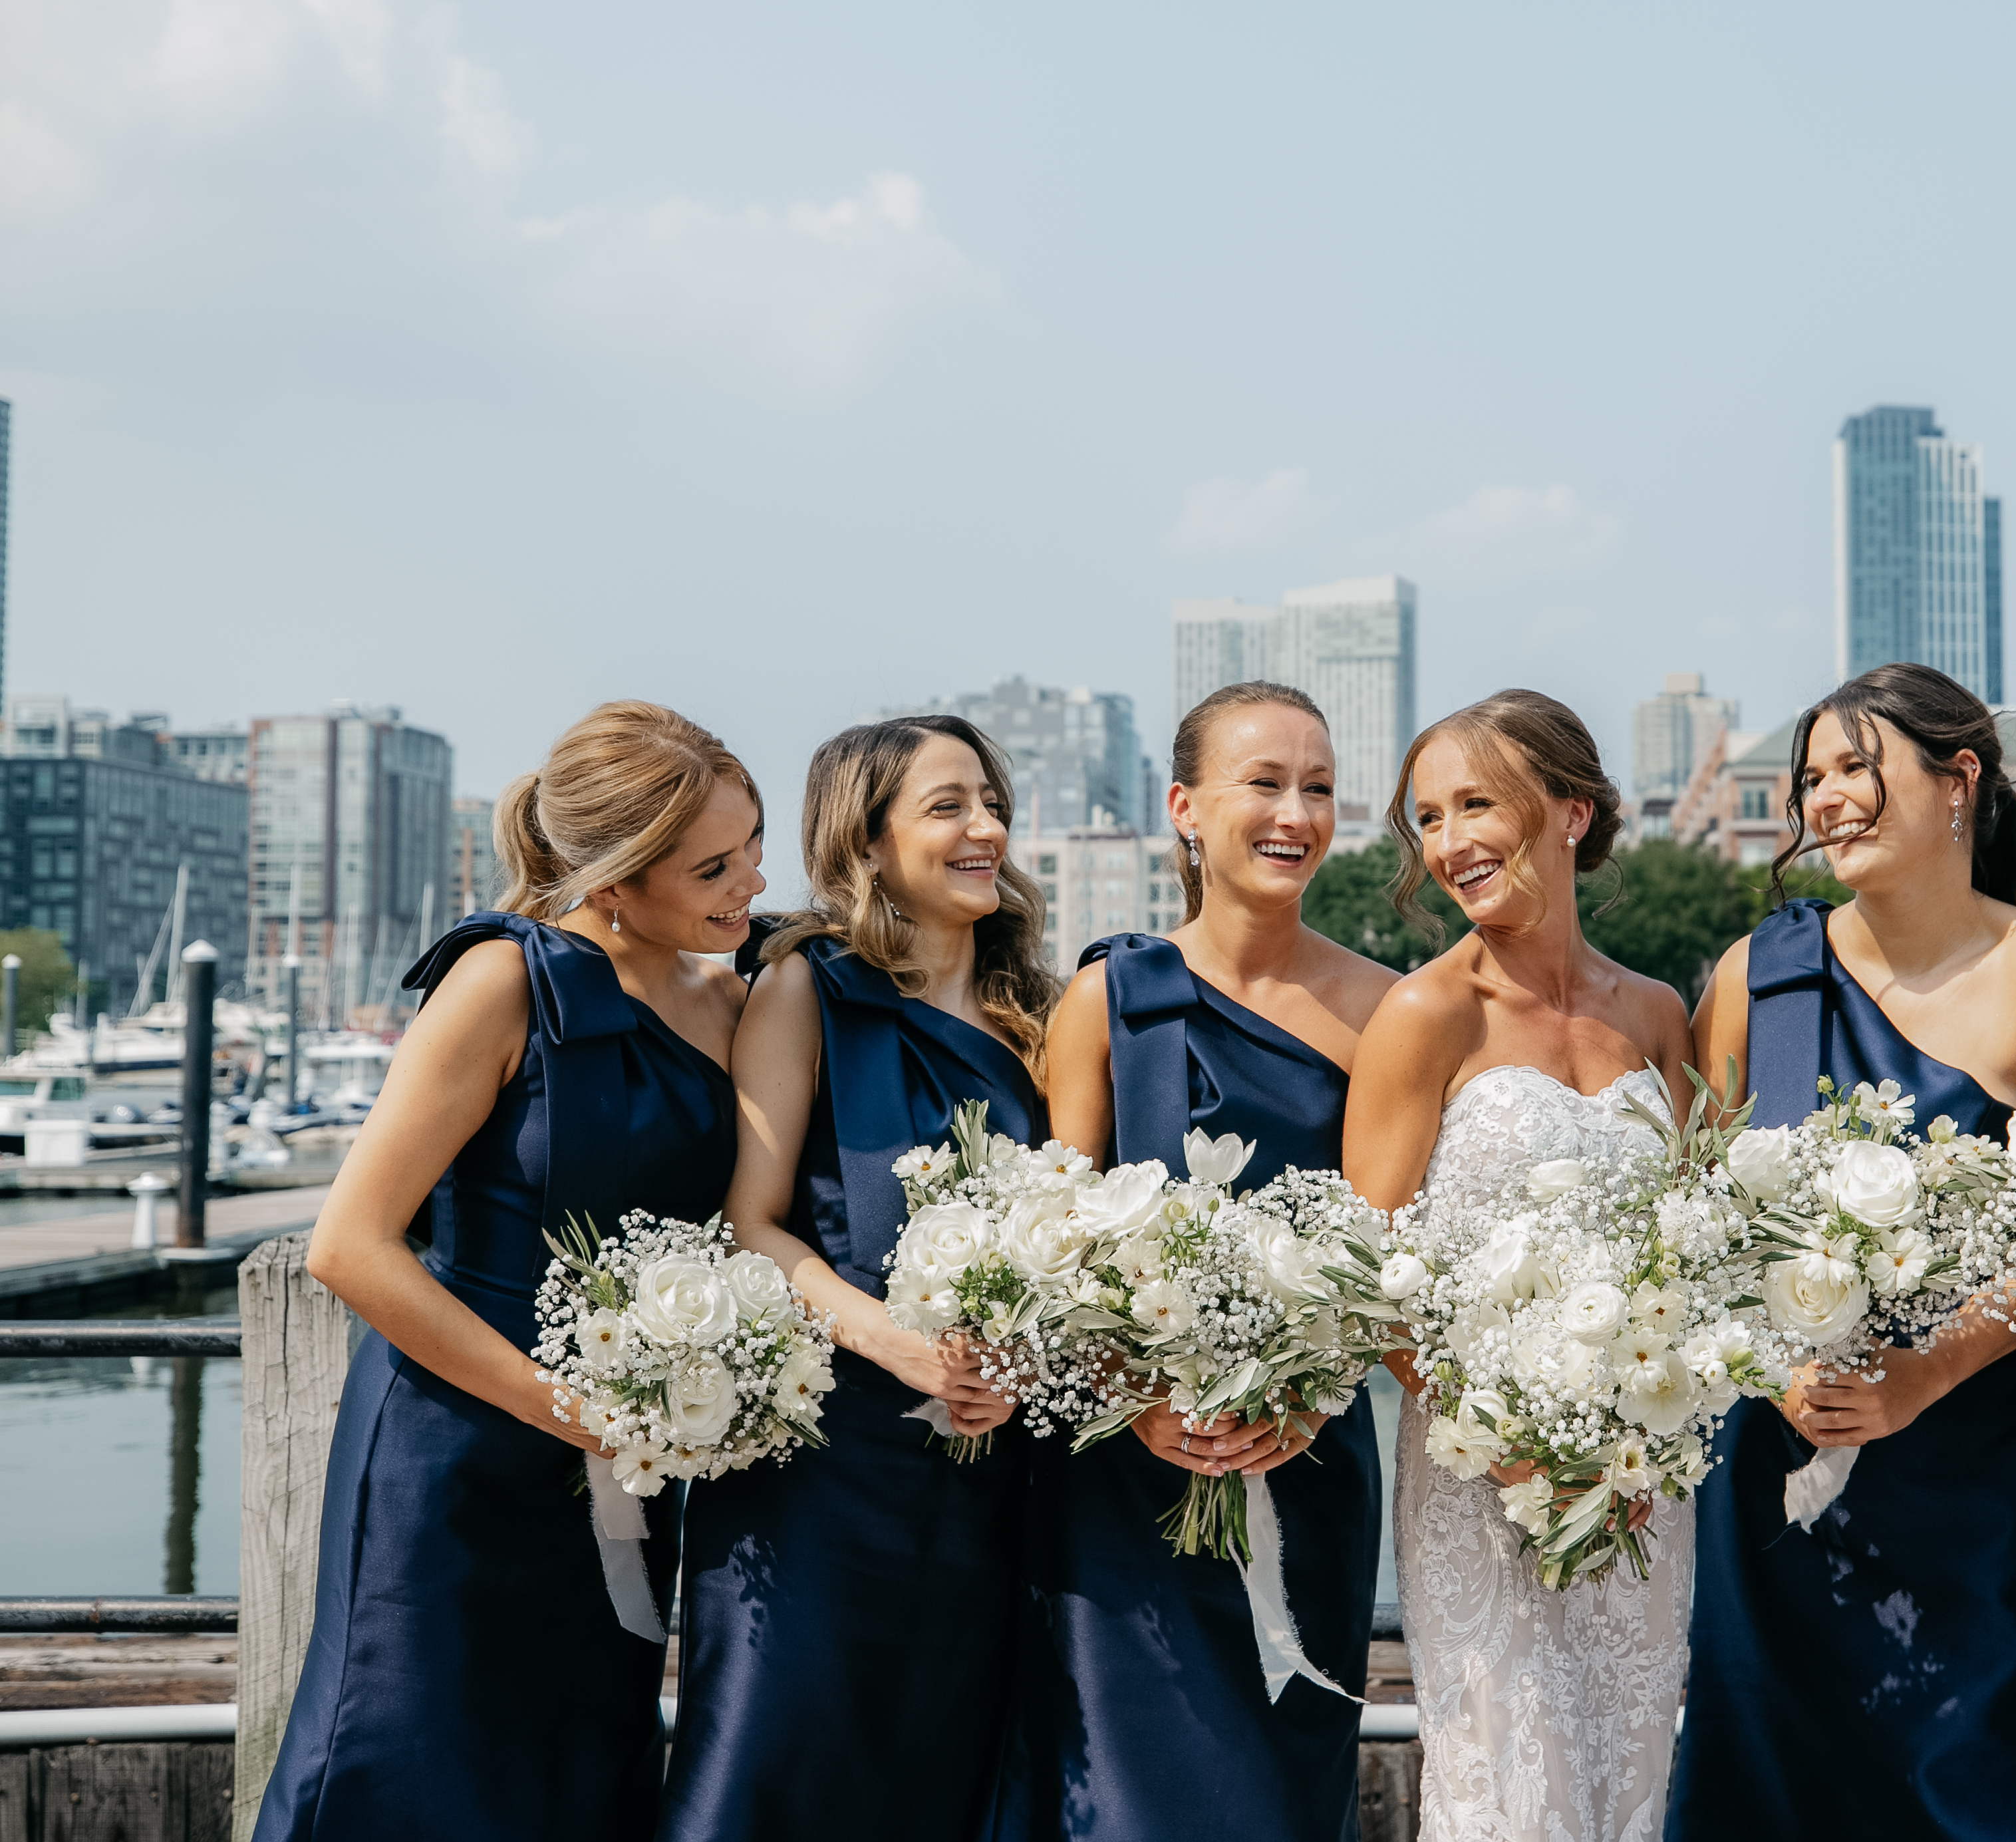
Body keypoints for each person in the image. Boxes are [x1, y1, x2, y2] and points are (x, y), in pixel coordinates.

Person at [256, 702, 764, 1842]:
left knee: (578, 1757)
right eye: (714, 866)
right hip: (451, 1453)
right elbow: (349, 1243)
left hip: (632, 1453)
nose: (752, 882)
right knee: (412, 1751)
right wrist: (572, 1410)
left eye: (753, 847)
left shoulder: (732, 1000)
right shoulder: (500, 980)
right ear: (617, 877)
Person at [1667, 663, 2016, 1842]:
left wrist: (1924, 1372)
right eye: (1810, 778)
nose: (1824, 798)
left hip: (1977, 1469)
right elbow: (1693, 1225)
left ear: (1958, 779)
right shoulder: (1756, 973)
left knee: (1980, 1788)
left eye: (1855, 768)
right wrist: (1769, 1369)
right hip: (1779, 1461)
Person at [997, 681, 1397, 1842]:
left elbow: (1396, 1258)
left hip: (1306, 1460)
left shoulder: (1386, 1009)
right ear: (1183, 807)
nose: (1296, 814)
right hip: (1124, 1480)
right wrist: (1132, 1396)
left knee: (1280, 1800)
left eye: (1319, 788)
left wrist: (1306, 1400)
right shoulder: (1108, 998)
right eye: (1263, 783)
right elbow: (1048, 1244)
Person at [661, 715, 1055, 1839]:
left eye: (992, 804)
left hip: (988, 1480)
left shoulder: (1037, 1012)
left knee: (947, 1772)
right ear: (868, 842)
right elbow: (749, 1223)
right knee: (783, 1766)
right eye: (948, 807)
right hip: (822, 1473)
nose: (986, 829)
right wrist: (892, 1340)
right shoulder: (806, 987)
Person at [1343, 689, 1695, 1842]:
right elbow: (1368, 1276)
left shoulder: (1658, 1015)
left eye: (1476, 804)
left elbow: (1695, 1253)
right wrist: (1511, 1446)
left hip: (1640, 1484)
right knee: (1510, 1796)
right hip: (1479, 1482)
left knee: (1626, 1781)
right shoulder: (1423, 1014)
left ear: (1572, 812)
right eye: (1427, 817)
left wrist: (1643, 1433)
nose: (1447, 842)